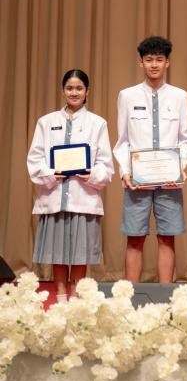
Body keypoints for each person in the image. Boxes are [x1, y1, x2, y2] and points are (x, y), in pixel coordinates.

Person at [27, 69, 114, 301]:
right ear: (63, 90)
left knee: (79, 252)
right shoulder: (46, 122)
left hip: (83, 198)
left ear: (87, 91)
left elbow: (106, 165)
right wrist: (53, 174)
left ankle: (76, 296)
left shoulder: (98, 123)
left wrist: (89, 174)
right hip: (54, 197)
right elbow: (35, 159)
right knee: (57, 252)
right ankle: (60, 295)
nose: (74, 92)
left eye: (79, 88)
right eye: (69, 88)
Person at [113, 36, 187, 283]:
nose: (154, 64)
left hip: (169, 180)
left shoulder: (180, 96)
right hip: (137, 180)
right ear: (141, 63)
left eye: (159, 59)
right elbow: (122, 140)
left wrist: (180, 167)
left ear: (167, 62)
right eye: (149, 60)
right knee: (135, 237)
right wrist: (126, 171)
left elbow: (186, 139)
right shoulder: (127, 96)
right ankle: (130, 294)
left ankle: (165, 293)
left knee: (167, 237)